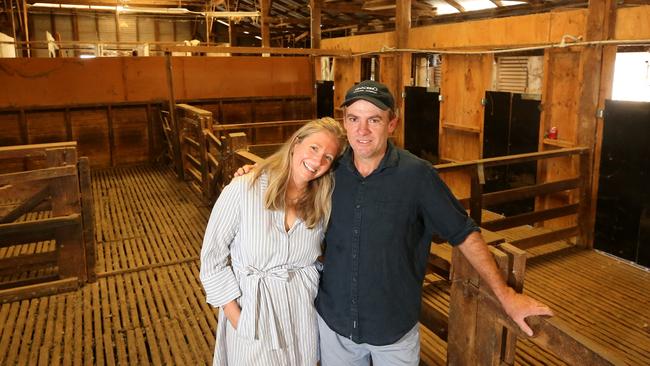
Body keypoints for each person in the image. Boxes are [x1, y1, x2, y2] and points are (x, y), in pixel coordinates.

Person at [312, 80, 554, 365]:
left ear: (392, 124)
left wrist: (506, 295)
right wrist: (253, 175)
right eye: (354, 119)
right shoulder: (330, 167)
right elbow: (292, 173)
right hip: (335, 325)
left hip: (393, 330)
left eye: (374, 119)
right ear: (345, 121)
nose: (362, 131)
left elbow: (463, 233)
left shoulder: (417, 176)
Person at [199, 117, 347, 365]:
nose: (318, 161)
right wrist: (238, 318)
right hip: (254, 312)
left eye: (328, 157)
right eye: (314, 148)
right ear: (296, 143)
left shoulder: (323, 202)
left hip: (302, 314)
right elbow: (212, 260)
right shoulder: (244, 188)